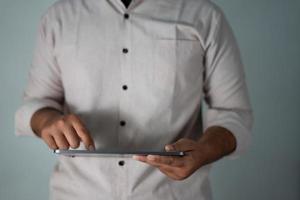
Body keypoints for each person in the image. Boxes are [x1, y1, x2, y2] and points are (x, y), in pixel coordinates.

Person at [15, 0, 253, 199]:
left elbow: (233, 113)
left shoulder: (204, 16)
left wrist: (204, 150)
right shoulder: (59, 18)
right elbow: (35, 104)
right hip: (77, 193)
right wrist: (47, 121)